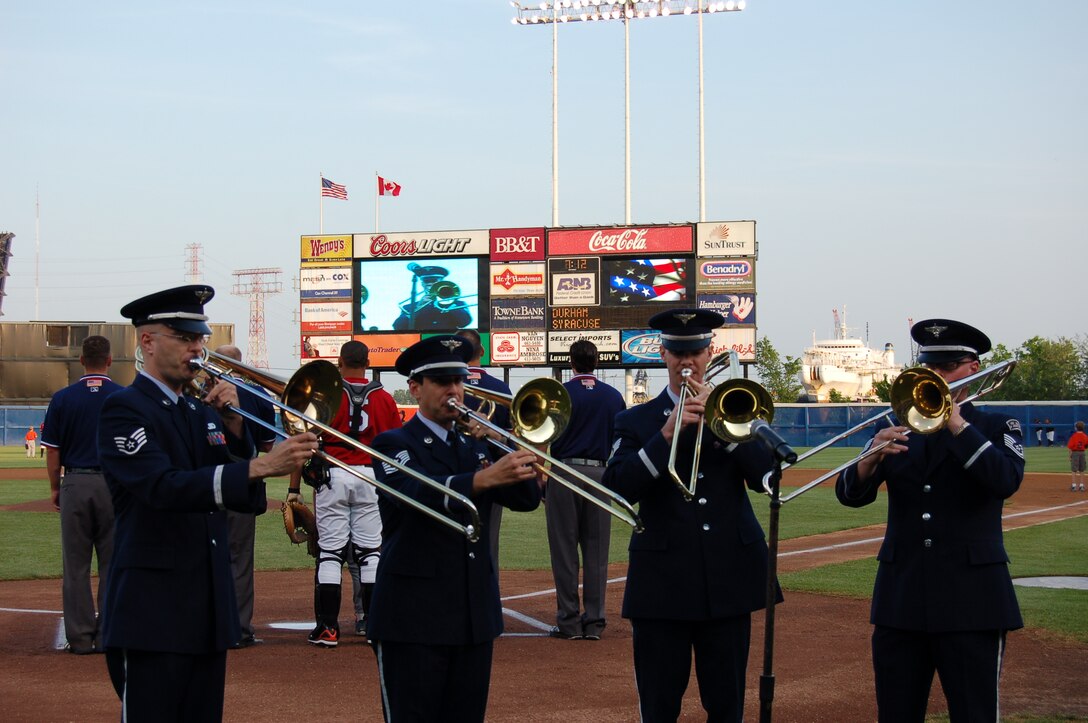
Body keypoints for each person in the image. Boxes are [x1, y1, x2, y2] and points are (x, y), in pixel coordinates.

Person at [97, 285, 317, 721]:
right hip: (153, 611)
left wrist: (235, 422)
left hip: (206, 608)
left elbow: (240, 499)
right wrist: (257, 467)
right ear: (148, 342)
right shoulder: (125, 408)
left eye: (200, 338)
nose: (198, 349)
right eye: (185, 338)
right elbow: (163, 487)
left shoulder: (200, 412)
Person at [835, 318, 1025, 723]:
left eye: (947, 367)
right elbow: (849, 495)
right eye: (929, 367)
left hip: (974, 602)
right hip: (901, 600)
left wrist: (956, 423)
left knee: (975, 714)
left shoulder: (996, 426)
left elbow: (1004, 480)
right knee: (896, 713)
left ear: (973, 368)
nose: (935, 376)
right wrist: (869, 456)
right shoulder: (895, 426)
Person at [602, 309, 778, 722]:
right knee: (660, 705)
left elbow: (766, 477)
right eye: (678, 352)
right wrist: (666, 435)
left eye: (696, 351)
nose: (687, 362)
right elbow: (617, 488)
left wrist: (724, 426)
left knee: (727, 704)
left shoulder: (737, 411)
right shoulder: (635, 420)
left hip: (729, 578)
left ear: (709, 352)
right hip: (662, 585)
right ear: (663, 354)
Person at [368, 335, 541, 722]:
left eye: (459, 380)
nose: (454, 390)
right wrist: (482, 478)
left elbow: (527, 499)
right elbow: (415, 493)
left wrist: (499, 443)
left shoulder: (476, 445)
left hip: (472, 615)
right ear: (415, 388)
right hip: (412, 618)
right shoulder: (392, 442)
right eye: (442, 381)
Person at [287, 340, 401, 647]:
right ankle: (374, 627)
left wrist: (294, 489)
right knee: (370, 553)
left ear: (340, 361)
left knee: (330, 553)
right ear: (367, 361)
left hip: (332, 474)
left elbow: (303, 439)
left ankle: (328, 628)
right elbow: (394, 444)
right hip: (369, 476)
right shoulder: (384, 398)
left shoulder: (327, 394)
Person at [41, 335, 123, 654]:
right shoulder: (122, 397)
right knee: (112, 563)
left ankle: (79, 638)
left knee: (75, 565)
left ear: (81, 362)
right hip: (113, 486)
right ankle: (107, 635)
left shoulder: (63, 398)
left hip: (75, 481)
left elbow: (53, 451)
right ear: (109, 360)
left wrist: (54, 487)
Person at [545, 339, 625, 641]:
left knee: (564, 551)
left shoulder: (559, 394)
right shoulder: (614, 396)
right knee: (597, 550)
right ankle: (594, 622)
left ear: (571, 363)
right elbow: (620, 440)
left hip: (564, 472)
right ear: (597, 362)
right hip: (600, 473)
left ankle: (568, 622)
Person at [214, 344, 277, 649]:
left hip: (206, 476)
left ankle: (208, 624)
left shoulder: (204, 388)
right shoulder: (259, 393)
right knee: (240, 558)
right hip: (244, 477)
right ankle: (239, 629)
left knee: (204, 553)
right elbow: (267, 446)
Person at [456, 328, 512, 573]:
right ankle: (488, 599)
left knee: (453, 539)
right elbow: (511, 436)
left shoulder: (449, 387)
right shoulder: (500, 387)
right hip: (494, 471)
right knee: (489, 540)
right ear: (482, 351)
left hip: (454, 471)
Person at [392, 264, 471, 331]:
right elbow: (398, 327)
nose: (430, 284)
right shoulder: (409, 307)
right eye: (426, 281)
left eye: (434, 280)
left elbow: (464, 322)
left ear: (442, 282)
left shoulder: (457, 303)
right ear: (422, 284)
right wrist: (418, 307)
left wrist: (447, 303)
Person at [1068, 421, 1088, 492]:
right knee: (1082, 470)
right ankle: (1081, 485)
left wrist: (1070, 456)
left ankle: (1074, 486)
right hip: (1082, 453)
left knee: (1074, 470)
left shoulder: (1074, 436)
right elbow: (1086, 446)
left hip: (1075, 453)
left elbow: (1070, 447)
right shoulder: (1085, 436)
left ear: (1076, 428)